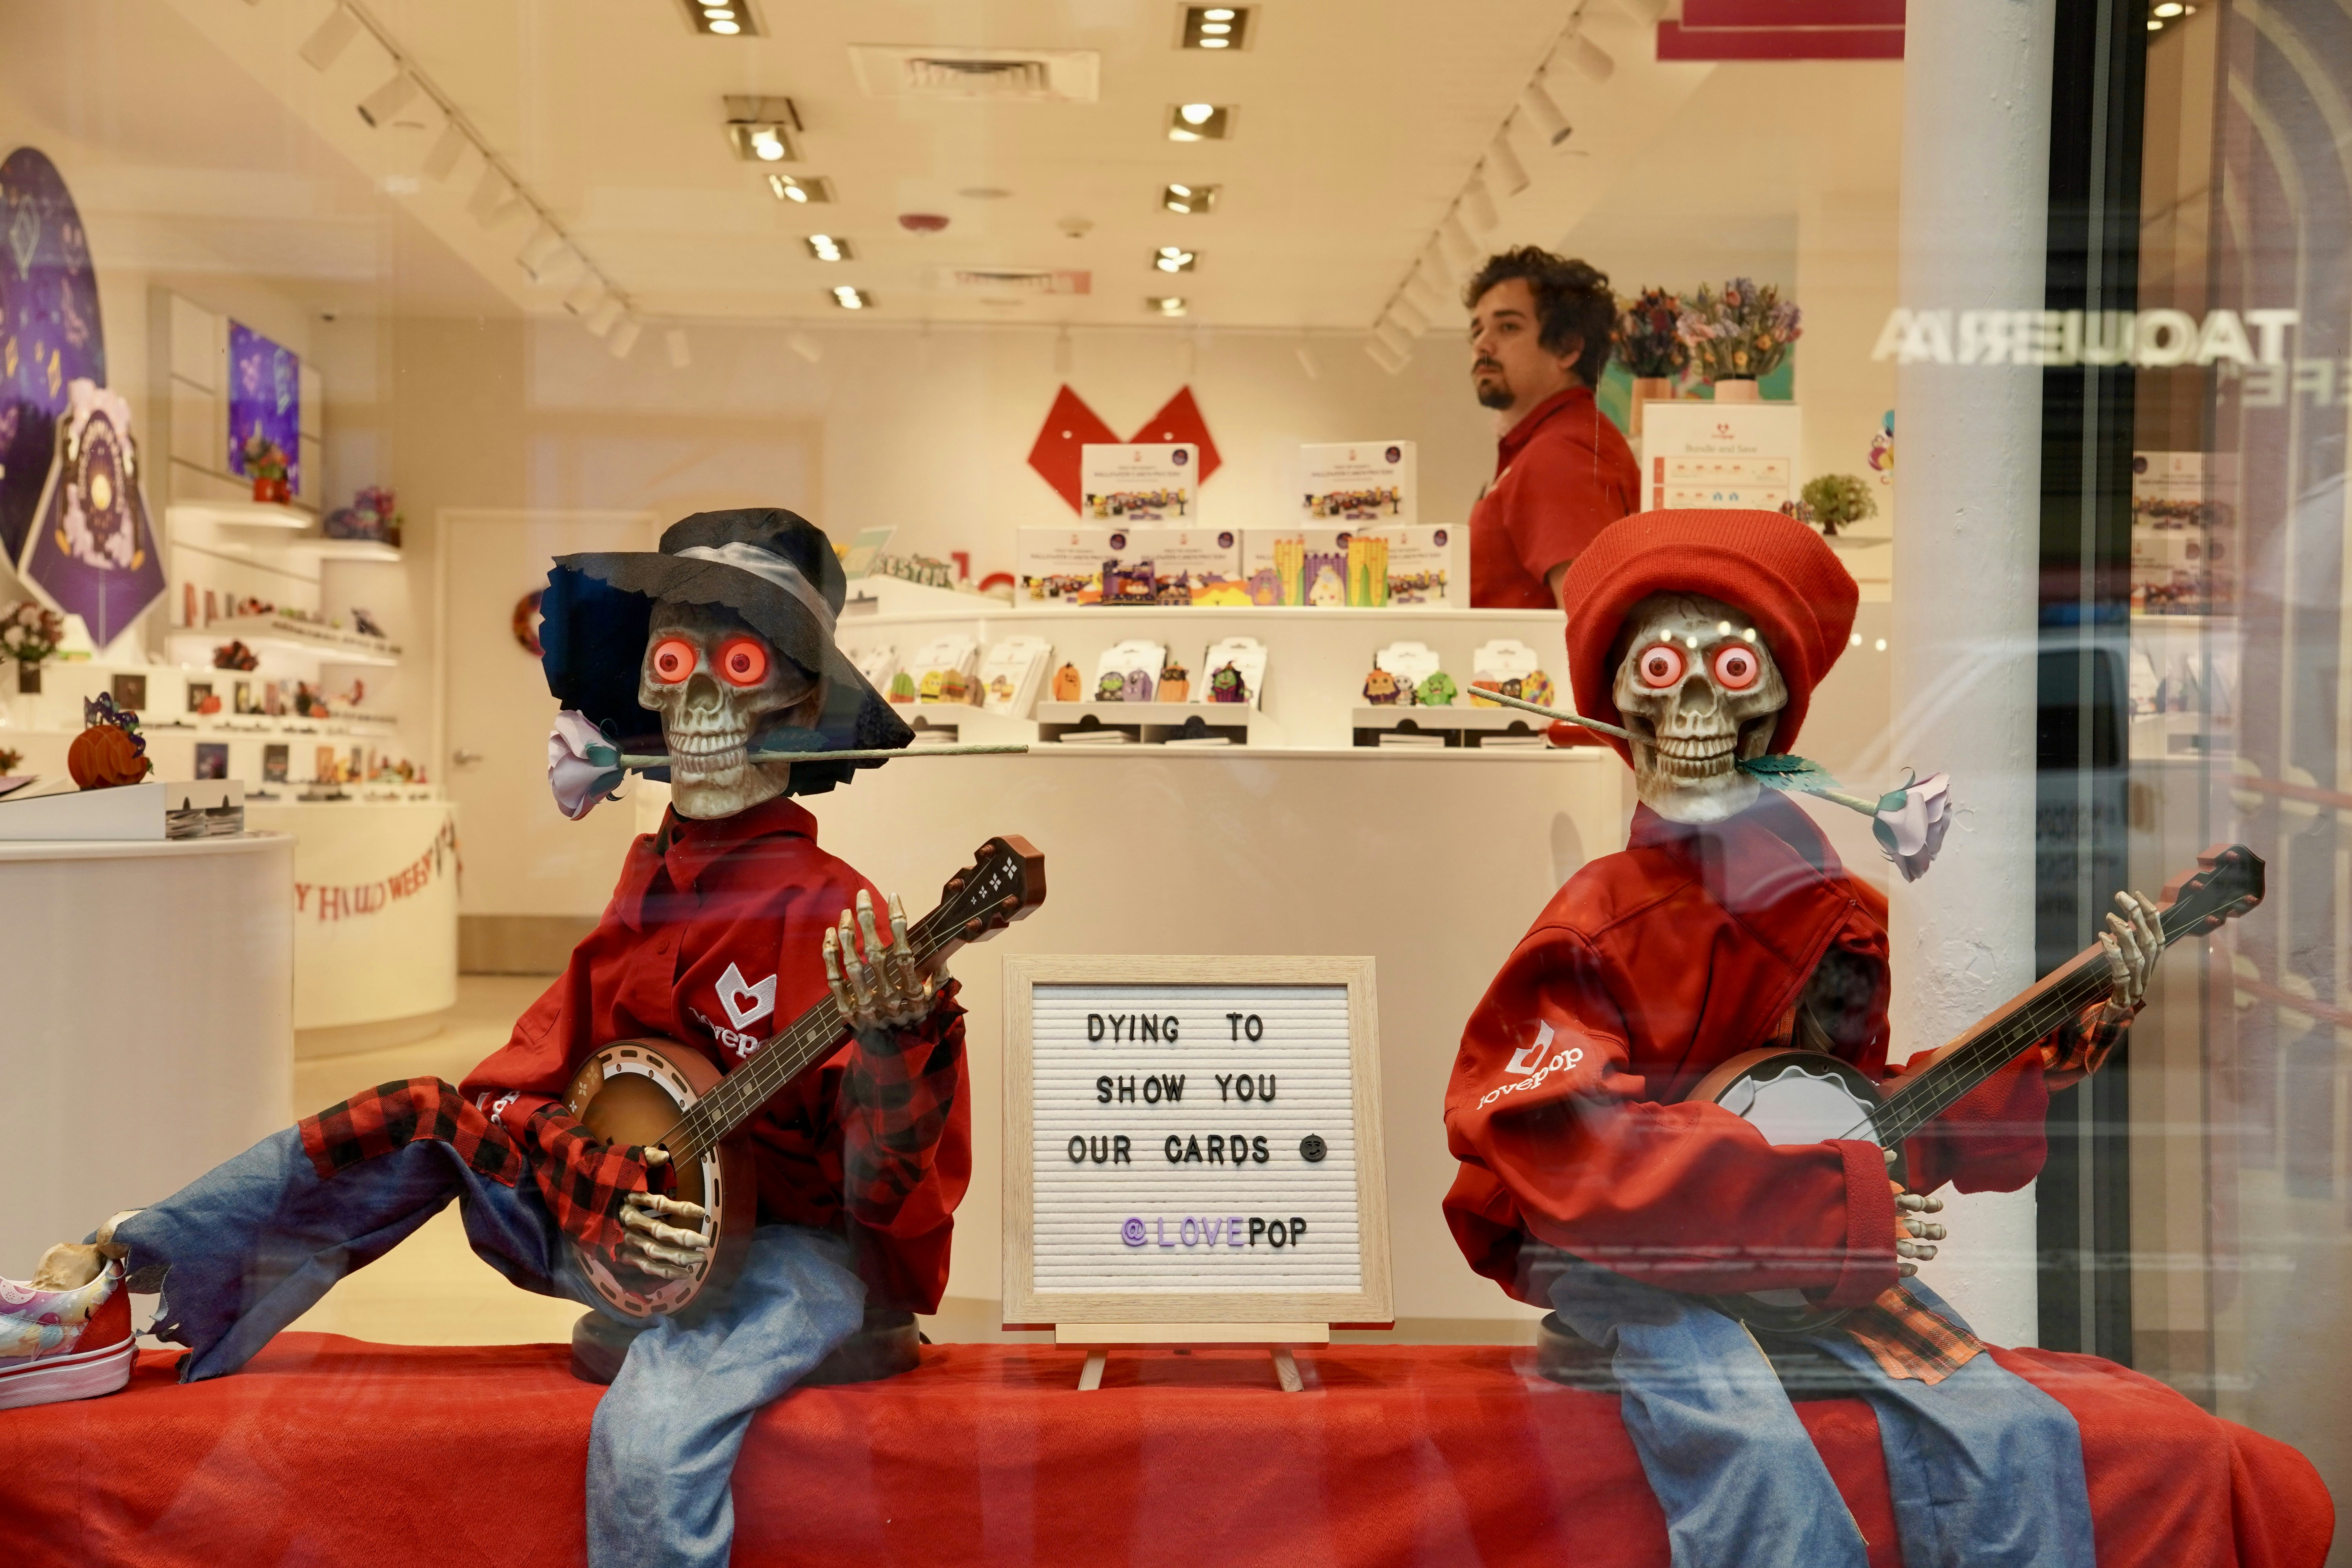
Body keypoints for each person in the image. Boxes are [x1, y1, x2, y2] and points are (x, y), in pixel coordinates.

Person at [1, 509, 972, 1568]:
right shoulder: (650, 878)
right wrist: (593, 1173)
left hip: (783, 1253)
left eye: (739, 665)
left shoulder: (839, 915)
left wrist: (898, 1043)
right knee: (415, 1118)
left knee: (652, 1441)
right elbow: (510, 1086)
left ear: (798, 703)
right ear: (643, 685)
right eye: (674, 661)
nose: (698, 700)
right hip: (626, 1218)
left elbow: (886, 1199)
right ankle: (115, 1278)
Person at [1443, 508, 2165, 1568]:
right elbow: (1569, 1146)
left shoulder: (1830, 910)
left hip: (1799, 1256)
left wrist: (2054, 1041)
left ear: (1779, 702)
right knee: (1758, 1471)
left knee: (2020, 1433)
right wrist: (1830, 1205)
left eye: (1732, 668)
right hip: (1635, 1261)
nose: (1692, 706)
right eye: (1659, 670)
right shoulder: (1592, 923)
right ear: (1614, 704)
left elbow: (1849, 1111)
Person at [1463, 246, 1642, 611]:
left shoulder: (1560, 453)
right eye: (1478, 329)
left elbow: (1588, 617)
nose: (1482, 343)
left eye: (1508, 326)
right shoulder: (1554, 442)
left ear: (1568, 348)